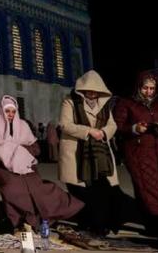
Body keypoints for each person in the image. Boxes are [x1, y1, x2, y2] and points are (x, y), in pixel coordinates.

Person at [0, 95, 83, 230]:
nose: (10, 115)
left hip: (25, 166)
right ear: (0, 111)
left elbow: (36, 149)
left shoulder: (22, 125)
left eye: (13, 111)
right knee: (13, 187)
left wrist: (18, 151)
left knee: (40, 188)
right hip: (0, 167)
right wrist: (6, 153)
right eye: (7, 111)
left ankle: (37, 219)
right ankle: (21, 221)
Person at [59, 70, 138, 235]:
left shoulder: (104, 105)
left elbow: (112, 125)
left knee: (101, 192)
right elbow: (65, 125)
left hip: (99, 155)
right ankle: (88, 223)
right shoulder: (70, 101)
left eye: (95, 90)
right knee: (81, 192)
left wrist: (103, 133)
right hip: (77, 154)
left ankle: (101, 224)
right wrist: (89, 131)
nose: (92, 93)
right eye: (88, 89)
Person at [113, 71, 158, 240]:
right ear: (138, 87)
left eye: (152, 88)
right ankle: (155, 226)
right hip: (139, 153)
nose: (149, 92)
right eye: (145, 88)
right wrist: (134, 128)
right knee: (147, 189)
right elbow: (118, 126)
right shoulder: (126, 103)